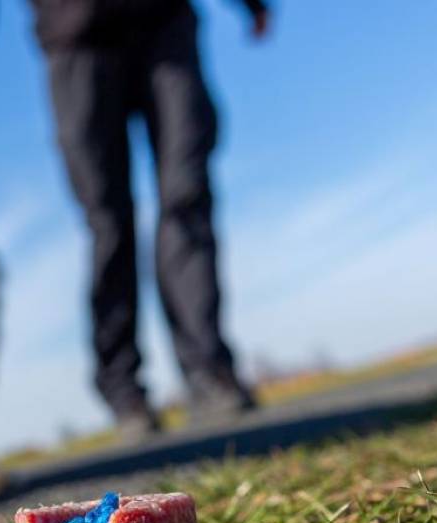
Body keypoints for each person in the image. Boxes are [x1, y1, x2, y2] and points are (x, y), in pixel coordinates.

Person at [30, 0, 269, 438]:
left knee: (186, 194)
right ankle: (125, 391)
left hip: (164, 24)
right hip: (76, 37)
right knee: (107, 221)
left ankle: (208, 369)